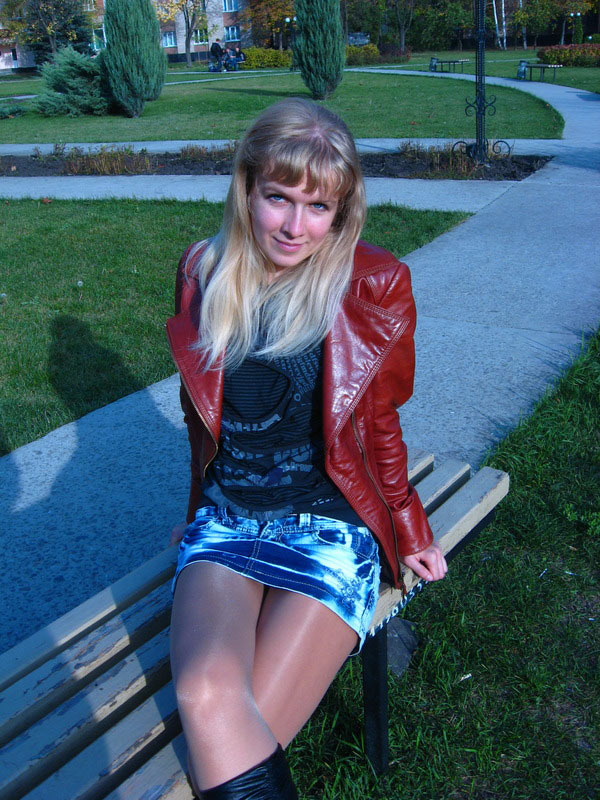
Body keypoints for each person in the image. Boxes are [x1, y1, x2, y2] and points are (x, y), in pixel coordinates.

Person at [166, 98, 448, 799]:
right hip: (227, 521)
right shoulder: (203, 271)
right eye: (279, 198)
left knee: (229, 736)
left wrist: (407, 522)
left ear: (342, 212)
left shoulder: (371, 283)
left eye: (318, 207)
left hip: (328, 529)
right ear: (246, 189)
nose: (296, 227)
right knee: (206, 695)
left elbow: (379, 422)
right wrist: (195, 508)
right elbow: (203, 422)